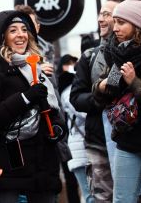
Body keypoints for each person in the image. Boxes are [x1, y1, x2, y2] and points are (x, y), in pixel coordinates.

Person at [0, 10, 65, 203]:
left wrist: (58, 128)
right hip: (11, 171)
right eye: (13, 30)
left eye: (24, 30)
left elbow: (54, 113)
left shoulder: (40, 71)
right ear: (2, 37)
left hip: (44, 170)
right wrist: (24, 97)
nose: (21, 35)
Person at [92, 0, 141, 203]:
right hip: (126, 142)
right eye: (115, 21)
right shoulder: (118, 52)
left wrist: (135, 82)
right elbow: (104, 91)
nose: (115, 28)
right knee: (122, 199)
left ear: (138, 25)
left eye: (121, 22)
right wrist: (101, 87)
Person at [70, 0, 126, 202]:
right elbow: (76, 97)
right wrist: (99, 98)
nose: (101, 19)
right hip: (98, 142)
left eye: (107, 14)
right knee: (102, 198)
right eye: (100, 14)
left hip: (130, 140)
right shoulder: (88, 56)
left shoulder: (134, 52)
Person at [58, 55, 94, 203]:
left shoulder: (76, 87)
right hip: (79, 147)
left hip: (84, 145)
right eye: (68, 64)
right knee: (89, 194)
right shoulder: (68, 91)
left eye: (74, 63)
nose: (72, 66)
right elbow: (82, 112)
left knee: (92, 193)